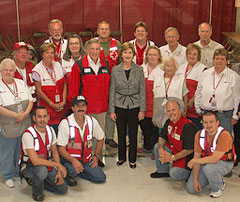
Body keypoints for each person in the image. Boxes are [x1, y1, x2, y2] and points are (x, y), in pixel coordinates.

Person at [68, 38, 111, 167]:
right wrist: (77, 108)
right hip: (86, 109)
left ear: (100, 50)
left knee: (100, 135)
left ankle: (98, 158)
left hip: (103, 108)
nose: (94, 51)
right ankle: (86, 159)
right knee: (87, 136)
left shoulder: (106, 65)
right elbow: (73, 89)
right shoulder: (79, 66)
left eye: (97, 49)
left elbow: (110, 86)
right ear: (87, 50)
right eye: (92, 49)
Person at [109, 42, 146, 169]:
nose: (127, 55)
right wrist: (112, 110)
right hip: (119, 104)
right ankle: (121, 157)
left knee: (133, 133)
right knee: (120, 133)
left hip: (134, 105)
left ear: (133, 54)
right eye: (125, 52)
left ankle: (132, 159)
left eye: (130, 52)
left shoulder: (139, 70)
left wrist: (142, 110)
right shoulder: (115, 70)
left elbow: (143, 91)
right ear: (121, 54)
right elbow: (112, 90)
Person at [19, 106, 67, 201]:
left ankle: (37, 181)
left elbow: (55, 153)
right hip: (29, 166)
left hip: (46, 164)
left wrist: (58, 171)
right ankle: (37, 193)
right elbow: (35, 161)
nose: (42, 120)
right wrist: (58, 164)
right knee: (41, 171)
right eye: (39, 117)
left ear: (48, 117)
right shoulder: (28, 134)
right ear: (34, 118)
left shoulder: (50, 130)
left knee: (62, 189)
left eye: (45, 116)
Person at [57, 95, 106, 186]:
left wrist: (95, 155)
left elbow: (101, 138)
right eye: (78, 106)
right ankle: (71, 172)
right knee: (72, 171)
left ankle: (80, 171)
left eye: (83, 105)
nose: (81, 108)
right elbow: (61, 149)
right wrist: (73, 161)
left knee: (100, 178)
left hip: (86, 159)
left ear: (86, 108)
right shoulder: (65, 124)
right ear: (72, 108)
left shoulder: (92, 121)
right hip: (69, 159)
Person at [186, 111, 235, 198]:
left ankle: (217, 188)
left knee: (209, 169)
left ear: (217, 123)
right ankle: (213, 177)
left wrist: (194, 161)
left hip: (225, 162)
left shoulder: (224, 135)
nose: (208, 125)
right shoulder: (199, 135)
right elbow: (196, 156)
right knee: (191, 188)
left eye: (211, 122)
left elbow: (214, 159)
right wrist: (195, 179)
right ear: (202, 123)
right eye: (205, 122)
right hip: (207, 162)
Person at [0, 58, 33, 188]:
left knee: (20, 149)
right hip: (8, 124)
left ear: (14, 71)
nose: (8, 72)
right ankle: (7, 174)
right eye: (5, 70)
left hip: (24, 120)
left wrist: (25, 114)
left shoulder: (20, 83)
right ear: (1, 71)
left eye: (11, 70)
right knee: (8, 150)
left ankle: (16, 171)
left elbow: (30, 100)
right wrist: (16, 115)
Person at [194, 48, 240, 134]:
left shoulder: (234, 76)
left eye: (222, 59)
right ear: (213, 60)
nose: (219, 61)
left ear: (226, 61)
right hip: (206, 113)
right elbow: (198, 92)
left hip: (225, 116)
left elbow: (237, 98)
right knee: (207, 140)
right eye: (217, 58)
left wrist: (235, 115)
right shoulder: (205, 74)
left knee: (224, 141)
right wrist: (197, 108)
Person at [150, 100, 197, 181]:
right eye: (168, 111)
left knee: (174, 174)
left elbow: (189, 150)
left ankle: (189, 173)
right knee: (157, 146)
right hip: (173, 151)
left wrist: (172, 158)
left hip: (185, 158)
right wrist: (161, 149)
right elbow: (162, 137)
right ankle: (163, 171)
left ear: (180, 111)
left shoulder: (188, 126)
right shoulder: (169, 121)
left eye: (173, 110)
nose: (171, 113)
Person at [96, 20, 121, 148]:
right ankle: (98, 136)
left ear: (110, 31)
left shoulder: (117, 44)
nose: (104, 31)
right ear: (98, 31)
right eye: (101, 29)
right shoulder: (92, 44)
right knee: (98, 110)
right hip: (97, 82)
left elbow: (122, 62)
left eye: (106, 29)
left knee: (111, 109)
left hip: (113, 82)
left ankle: (109, 137)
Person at [32, 43, 67, 133]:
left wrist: (63, 101)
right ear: (42, 54)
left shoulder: (58, 66)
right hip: (47, 108)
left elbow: (64, 85)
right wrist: (52, 104)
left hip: (61, 107)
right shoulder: (37, 70)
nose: (50, 55)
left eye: (52, 53)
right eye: (47, 53)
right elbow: (39, 91)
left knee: (61, 132)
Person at [138, 46, 163, 154]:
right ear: (146, 56)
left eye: (155, 55)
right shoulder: (141, 68)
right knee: (144, 126)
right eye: (150, 54)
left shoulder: (163, 69)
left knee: (155, 128)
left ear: (159, 56)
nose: (152, 57)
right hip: (143, 103)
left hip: (156, 104)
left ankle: (155, 149)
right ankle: (147, 146)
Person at [152, 56, 188, 129]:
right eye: (167, 65)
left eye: (172, 66)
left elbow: (186, 97)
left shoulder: (180, 79)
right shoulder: (157, 79)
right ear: (163, 67)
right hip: (160, 114)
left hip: (175, 115)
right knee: (161, 135)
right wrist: (153, 115)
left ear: (175, 67)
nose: (169, 68)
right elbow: (154, 98)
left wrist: (184, 112)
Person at [177, 43, 206, 130]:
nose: (191, 56)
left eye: (194, 54)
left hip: (193, 106)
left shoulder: (203, 69)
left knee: (195, 130)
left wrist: (192, 100)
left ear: (198, 56)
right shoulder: (181, 67)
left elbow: (202, 88)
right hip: (182, 105)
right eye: (189, 54)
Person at [13, 42, 37, 112]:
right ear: (14, 54)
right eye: (20, 52)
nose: (23, 54)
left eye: (26, 52)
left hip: (33, 105)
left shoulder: (32, 66)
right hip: (17, 107)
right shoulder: (9, 68)